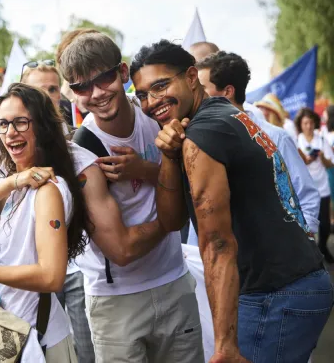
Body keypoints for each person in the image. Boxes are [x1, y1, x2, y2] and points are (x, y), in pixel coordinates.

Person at [131, 39, 332, 363]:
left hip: (275, 294)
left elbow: (217, 244)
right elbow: (172, 223)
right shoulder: (220, 114)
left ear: (192, 77)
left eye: (161, 85)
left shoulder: (203, 134)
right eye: (142, 94)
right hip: (293, 285)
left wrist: (224, 345)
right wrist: (168, 156)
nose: (152, 101)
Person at [60, 32, 203, 362]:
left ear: (123, 73)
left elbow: (199, 180)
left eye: (104, 78)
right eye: (82, 87)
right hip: (116, 301)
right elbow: (121, 250)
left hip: (174, 283)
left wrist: (146, 170)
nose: (96, 93)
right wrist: (172, 218)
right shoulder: (83, 151)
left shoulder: (158, 116)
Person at [0, 83, 89, 361]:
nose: (11, 132)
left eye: (21, 122)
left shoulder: (48, 191)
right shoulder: (0, 172)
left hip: (32, 338)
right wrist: (13, 181)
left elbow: (52, 276)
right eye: (2, 124)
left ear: (43, 127)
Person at [194, 51, 320, 239]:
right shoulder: (197, 141)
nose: (196, 96)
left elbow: (307, 199)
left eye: (202, 89)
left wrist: (294, 244)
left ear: (228, 92)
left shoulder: (276, 138)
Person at [21, 69, 95, 362]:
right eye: (39, 91)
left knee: (87, 350)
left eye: (53, 89)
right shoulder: (7, 151)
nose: (48, 97)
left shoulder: (79, 144)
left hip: (78, 267)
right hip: (32, 270)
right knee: (42, 350)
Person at [296, 107, 334, 262]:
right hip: (305, 188)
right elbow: (295, 164)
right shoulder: (296, 140)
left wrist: (322, 157)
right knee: (306, 223)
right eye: (305, 123)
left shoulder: (321, 139)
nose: (308, 126)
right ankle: (310, 253)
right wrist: (305, 159)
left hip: (322, 186)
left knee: (324, 224)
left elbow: (330, 163)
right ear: (301, 124)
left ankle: (322, 246)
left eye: (311, 122)